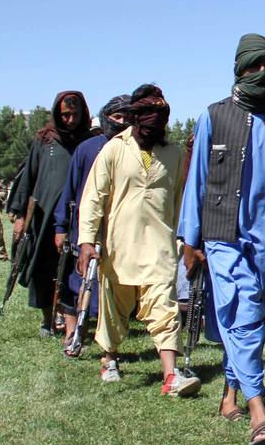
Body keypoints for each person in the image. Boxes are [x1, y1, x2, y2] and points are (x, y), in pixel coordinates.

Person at [178, 34, 265, 445]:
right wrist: (189, 240)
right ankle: (258, 411)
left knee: (245, 318)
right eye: (258, 66)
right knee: (244, 310)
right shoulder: (213, 117)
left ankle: (229, 393)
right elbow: (196, 181)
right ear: (242, 68)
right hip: (223, 236)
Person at [75, 85, 199, 396]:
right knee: (114, 309)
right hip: (119, 247)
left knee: (165, 308)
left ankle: (170, 376)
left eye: (161, 115)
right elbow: (93, 198)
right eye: (148, 115)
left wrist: (187, 240)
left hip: (160, 246)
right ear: (135, 118)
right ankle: (110, 358)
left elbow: (181, 200)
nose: (155, 121)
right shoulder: (115, 149)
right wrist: (87, 241)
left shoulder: (174, 154)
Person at [7, 91, 95, 337]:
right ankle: (47, 319)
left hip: (76, 217)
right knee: (43, 269)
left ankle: (73, 320)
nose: (70, 120)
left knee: (72, 270)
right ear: (58, 113)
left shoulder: (88, 142)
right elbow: (29, 177)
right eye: (65, 115)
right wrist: (20, 215)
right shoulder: (45, 140)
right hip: (43, 217)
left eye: (75, 114)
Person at [53, 94, 132, 356]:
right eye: (117, 116)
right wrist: (61, 226)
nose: (122, 122)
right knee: (77, 284)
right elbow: (70, 190)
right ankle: (72, 333)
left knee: (109, 291)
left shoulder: (137, 150)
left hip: (120, 232)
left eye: (127, 117)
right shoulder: (87, 149)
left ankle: (107, 344)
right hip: (85, 229)